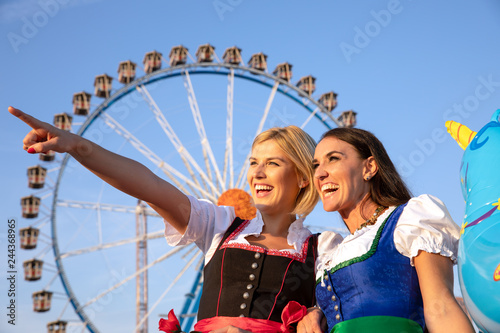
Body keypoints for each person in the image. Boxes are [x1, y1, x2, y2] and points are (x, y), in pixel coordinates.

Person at [9, 106, 319, 333]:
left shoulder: (323, 249)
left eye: (273, 163)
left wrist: (317, 313)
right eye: (253, 162)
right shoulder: (221, 226)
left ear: (304, 177)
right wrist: (79, 146)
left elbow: (354, 302)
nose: (258, 173)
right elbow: (151, 187)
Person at [297, 127, 474, 333]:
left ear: (369, 167)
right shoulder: (329, 252)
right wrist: (316, 313)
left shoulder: (410, 220)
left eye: (333, 159)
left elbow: (441, 309)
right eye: (316, 165)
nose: (320, 173)